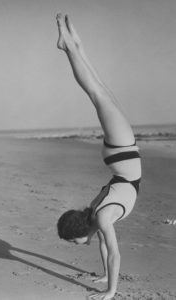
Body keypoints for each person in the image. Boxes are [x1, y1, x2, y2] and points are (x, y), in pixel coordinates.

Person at [56, 14, 141, 300]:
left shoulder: (101, 216)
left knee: (96, 92)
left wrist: (111, 292)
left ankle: (69, 47)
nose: (75, 244)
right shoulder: (97, 216)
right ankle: (76, 46)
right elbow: (105, 246)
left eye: (73, 240)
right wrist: (105, 276)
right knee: (100, 91)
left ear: (81, 230)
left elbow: (115, 254)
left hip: (124, 154)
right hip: (121, 159)